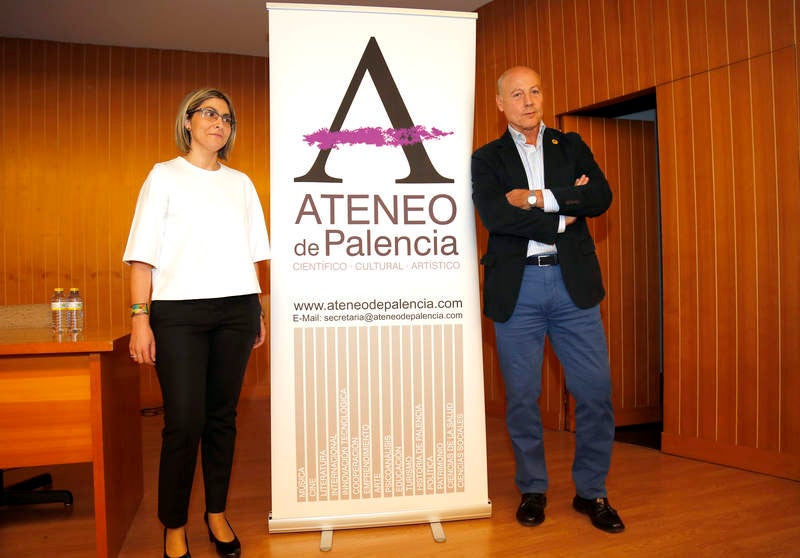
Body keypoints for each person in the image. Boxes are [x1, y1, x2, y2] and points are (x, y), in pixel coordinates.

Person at [471, 66, 624, 533]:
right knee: (522, 398)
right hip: (518, 290)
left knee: (595, 393)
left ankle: (591, 491)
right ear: (500, 104)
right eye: (517, 94)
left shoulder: (570, 145)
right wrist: (562, 214)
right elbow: (497, 215)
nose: (528, 100)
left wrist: (535, 199)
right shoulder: (487, 159)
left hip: (571, 285)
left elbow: (599, 196)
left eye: (534, 90)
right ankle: (533, 488)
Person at [123, 88, 271, 558]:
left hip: (236, 311)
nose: (219, 123)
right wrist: (140, 320)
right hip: (179, 316)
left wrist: (258, 310)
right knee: (184, 423)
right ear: (187, 121)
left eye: (227, 117)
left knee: (221, 419)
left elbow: (253, 257)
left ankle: (217, 513)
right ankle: (173, 523)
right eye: (209, 113)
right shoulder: (164, 176)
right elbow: (141, 258)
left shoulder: (241, 183)